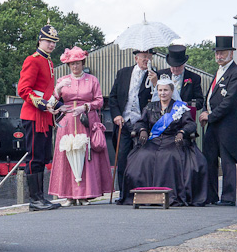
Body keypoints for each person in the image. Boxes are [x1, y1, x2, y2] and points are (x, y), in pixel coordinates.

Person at [121, 76, 209, 206]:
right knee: (142, 156)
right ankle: (143, 195)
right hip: (154, 141)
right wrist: (142, 130)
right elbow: (140, 123)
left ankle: (171, 194)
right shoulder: (150, 107)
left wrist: (182, 132)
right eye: (160, 90)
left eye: (166, 90)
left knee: (168, 156)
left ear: (172, 91)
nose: (163, 93)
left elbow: (190, 124)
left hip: (173, 140)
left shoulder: (180, 107)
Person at [49, 46, 114, 204]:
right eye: (72, 64)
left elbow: (99, 100)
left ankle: (86, 194)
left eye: (78, 63)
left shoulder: (92, 80)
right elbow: (53, 102)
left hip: (86, 119)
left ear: (83, 63)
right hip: (68, 121)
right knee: (68, 154)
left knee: (86, 156)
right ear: (68, 66)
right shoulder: (62, 80)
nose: (75, 66)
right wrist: (57, 89)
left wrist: (85, 107)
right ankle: (69, 195)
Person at [18, 25, 63, 211]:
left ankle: (40, 198)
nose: (51, 45)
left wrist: (58, 105)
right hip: (34, 114)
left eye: (53, 42)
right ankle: (34, 200)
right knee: (34, 158)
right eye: (48, 41)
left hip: (44, 116)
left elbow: (47, 92)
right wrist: (45, 105)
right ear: (40, 40)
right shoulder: (33, 60)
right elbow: (23, 90)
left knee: (43, 157)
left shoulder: (49, 62)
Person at [199, 36, 237, 206]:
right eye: (217, 53)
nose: (219, 56)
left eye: (222, 53)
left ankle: (228, 197)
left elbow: (230, 102)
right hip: (213, 124)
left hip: (227, 126)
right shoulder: (219, 72)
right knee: (209, 159)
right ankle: (211, 195)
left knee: (227, 162)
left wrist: (210, 116)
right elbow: (212, 96)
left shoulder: (236, 74)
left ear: (231, 54)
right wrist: (206, 111)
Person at [108, 50, 155, 204]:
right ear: (136, 58)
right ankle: (123, 194)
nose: (147, 60)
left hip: (142, 123)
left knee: (142, 158)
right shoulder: (123, 73)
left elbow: (159, 98)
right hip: (124, 121)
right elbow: (113, 97)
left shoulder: (155, 75)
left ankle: (142, 193)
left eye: (149, 57)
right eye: (144, 57)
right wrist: (116, 115)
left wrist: (154, 82)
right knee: (122, 158)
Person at [156, 44, 205, 117]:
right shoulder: (160, 74)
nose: (175, 69)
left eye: (178, 66)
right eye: (173, 66)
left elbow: (200, 102)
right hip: (163, 117)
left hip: (184, 118)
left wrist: (186, 104)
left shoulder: (194, 78)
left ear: (184, 64)